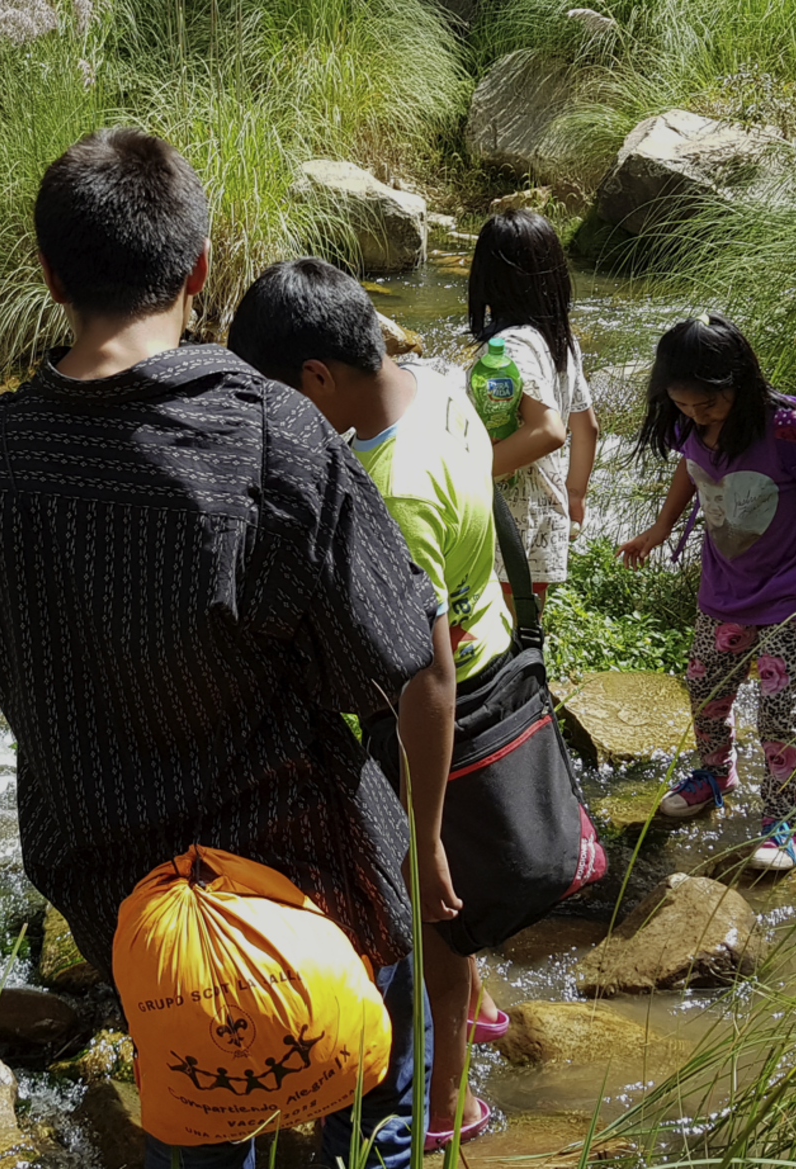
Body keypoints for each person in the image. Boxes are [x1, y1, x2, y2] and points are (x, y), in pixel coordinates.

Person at [0, 129, 437, 1169]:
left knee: (204, 1112)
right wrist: (423, 836)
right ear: (200, 267)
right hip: (310, 873)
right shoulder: (268, 432)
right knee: (376, 1112)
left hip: (127, 899)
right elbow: (399, 662)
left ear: (49, 275)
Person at [228, 258, 516, 1151]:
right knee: (452, 900)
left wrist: (420, 839)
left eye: (278, 400)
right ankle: (481, 1005)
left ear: (317, 377)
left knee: (431, 912)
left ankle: (447, 1105)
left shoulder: (390, 491)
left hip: (431, 718)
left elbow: (423, 677)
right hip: (491, 644)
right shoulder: (438, 387)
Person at [617, 315, 796, 872]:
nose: (696, 415)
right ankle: (715, 774)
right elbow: (691, 467)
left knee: (781, 711)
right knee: (706, 688)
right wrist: (660, 528)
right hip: (726, 589)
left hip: (795, 593)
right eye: (682, 405)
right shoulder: (693, 425)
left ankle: (781, 819)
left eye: (707, 404)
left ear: (739, 381)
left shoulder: (788, 429)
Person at [467, 208, 600, 606]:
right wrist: (574, 495)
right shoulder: (558, 339)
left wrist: (464, 472)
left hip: (506, 528)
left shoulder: (511, 347)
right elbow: (586, 427)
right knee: (525, 631)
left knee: (495, 633)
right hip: (543, 523)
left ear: (486, 278)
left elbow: (549, 431)